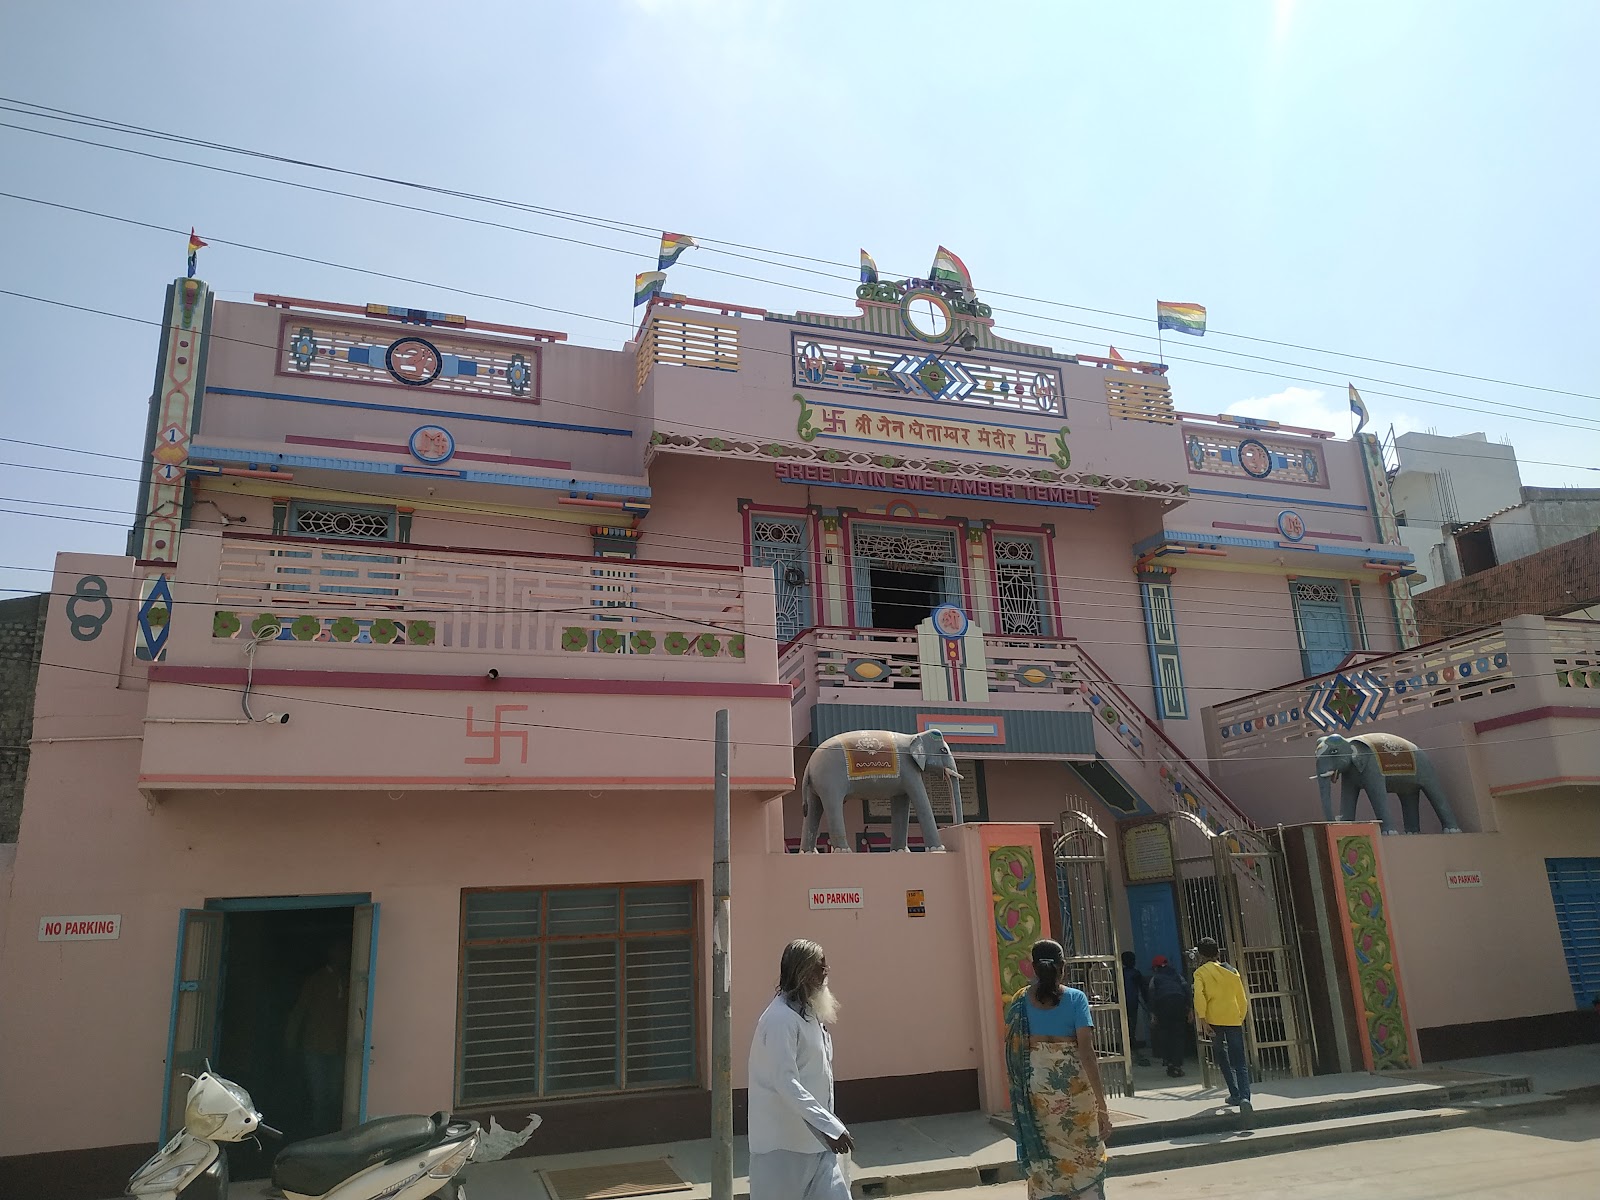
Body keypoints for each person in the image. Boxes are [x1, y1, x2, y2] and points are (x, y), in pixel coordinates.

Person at [1005, 940, 1112, 1200]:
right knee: (1084, 1158)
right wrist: (1102, 1106)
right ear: (1062, 966)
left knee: (1047, 1161)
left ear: (1033, 968)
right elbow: (1087, 1055)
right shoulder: (1076, 999)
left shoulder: (1020, 1002)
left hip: (1038, 1097)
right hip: (1077, 1097)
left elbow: (1013, 1051)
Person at [748, 940, 853, 1200]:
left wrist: (828, 1127)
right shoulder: (779, 1020)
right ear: (803, 972)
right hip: (783, 1149)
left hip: (819, 1147)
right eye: (820, 967)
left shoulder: (809, 1015)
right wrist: (828, 1125)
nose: (826, 971)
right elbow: (786, 1083)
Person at [284, 940, 350, 1133]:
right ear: (331, 953)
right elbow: (300, 1011)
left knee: (336, 1095)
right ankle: (318, 1134)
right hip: (315, 1047)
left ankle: (330, 1132)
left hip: (340, 1048)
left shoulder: (350, 980)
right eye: (339, 951)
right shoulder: (316, 980)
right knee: (319, 1097)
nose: (343, 956)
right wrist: (290, 1042)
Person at [1192, 937, 1251, 1113]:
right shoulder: (1233, 971)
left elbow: (1199, 997)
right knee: (1240, 1061)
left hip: (1213, 1020)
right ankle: (1245, 1097)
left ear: (1201, 955)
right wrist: (1240, 1016)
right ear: (1218, 952)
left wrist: (1202, 1019)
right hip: (1233, 1018)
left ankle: (1234, 1093)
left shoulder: (1200, 973)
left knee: (1222, 1056)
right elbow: (1242, 997)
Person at [1143, 955, 1192, 1078]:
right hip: (1179, 1004)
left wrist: (1153, 1014)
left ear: (1155, 968)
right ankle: (1177, 1065)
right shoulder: (1177, 976)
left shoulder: (1155, 979)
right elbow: (1187, 990)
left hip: (1163, 1006)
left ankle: (1169, 1062)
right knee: (1178, 1035)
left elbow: (1152, 995)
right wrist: (1190, 1009)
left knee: (1165, 1035)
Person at [1118, 951, 1150, 1067]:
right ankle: (1132, 1048)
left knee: (1124, 1027)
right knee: (1132, 1026)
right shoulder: (1136, 973)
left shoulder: (1119, 973)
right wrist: (1147, 1003)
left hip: (1121, 1004)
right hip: (1132, 1003)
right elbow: (1143, 989)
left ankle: (1126, 1050)